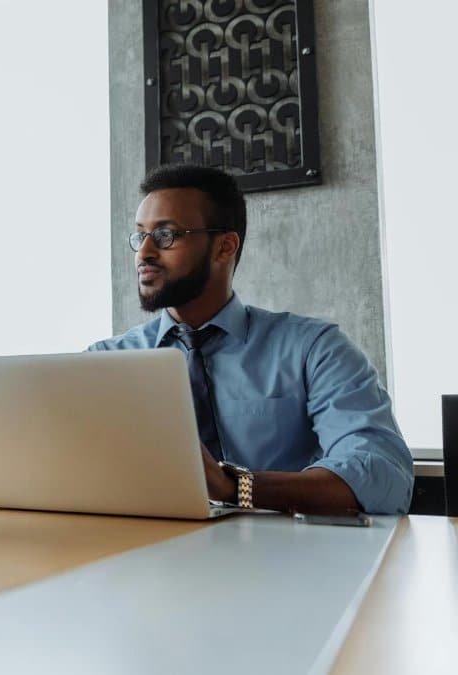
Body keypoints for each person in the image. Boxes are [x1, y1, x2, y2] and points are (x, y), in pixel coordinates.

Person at [88, 164, 413, 515]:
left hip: (287, 560)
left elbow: (383, 476)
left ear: (224, 247)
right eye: (141, 236)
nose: (144, 253)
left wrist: (234, 486)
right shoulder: (103, 363)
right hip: (140, 558)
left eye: (166, 235)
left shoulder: (314, 349)